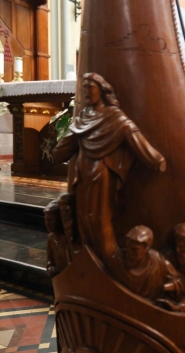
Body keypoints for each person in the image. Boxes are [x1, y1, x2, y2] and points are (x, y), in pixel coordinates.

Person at [52, 73, 166, 263]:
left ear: (102, 90)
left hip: (101, 176)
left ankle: (109, 260)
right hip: (82, 175)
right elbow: (67, 144)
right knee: (83, 220)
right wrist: (57, 153)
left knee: (99, 222)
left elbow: (135, 139)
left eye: (91, 87)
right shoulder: (83, 118)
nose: (86, 92)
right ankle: (90, 261)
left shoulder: (115, 117)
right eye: (84, 88)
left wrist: (156, 159)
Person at [108, 225, 185, 301]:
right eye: (127, 247)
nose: (129, 252)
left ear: (146, 249)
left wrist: (164, 287)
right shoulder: (118, 261)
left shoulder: (158, 262)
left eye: (134, 250)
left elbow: (181, 282)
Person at [45, 200, 70, 277]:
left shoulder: (67, 239)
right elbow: (50, 259)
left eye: (50, 220)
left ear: (59, 220)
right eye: (45, 220)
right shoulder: (51, 237)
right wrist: (50, 267)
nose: (47, 223)